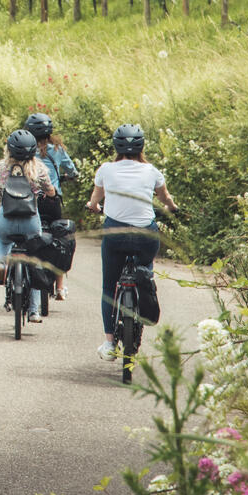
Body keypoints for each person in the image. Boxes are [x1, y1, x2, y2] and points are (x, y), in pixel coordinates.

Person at [87, 123, 178, 360]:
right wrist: (172, 207)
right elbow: (165, 197)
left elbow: (95, 199)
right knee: (145, 270)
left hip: (115, 234)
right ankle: (144, 286)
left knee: (109, 287)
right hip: (145, 235)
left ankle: (109, 344)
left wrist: (93, 206)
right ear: (142, 146)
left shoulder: (106, 170)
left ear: (116, 146)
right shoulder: (152, 171)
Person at [0, 128, 53, 292]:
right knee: (34, 262)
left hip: (6, 222)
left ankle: (1, 264)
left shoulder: (1, 167)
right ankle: (34, 306)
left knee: (1, 240)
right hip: (31, 224)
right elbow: (50, 191)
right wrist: (49, 194)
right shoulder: (39, 169)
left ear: (9, 149)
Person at [23, 111, 77, 297]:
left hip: (30, 200)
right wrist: (70, 176)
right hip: (51, 201)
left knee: (27, 234)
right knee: (59, 238)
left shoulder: (26, 150)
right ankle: (60, 287)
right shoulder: (58, 149)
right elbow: (72, 170)